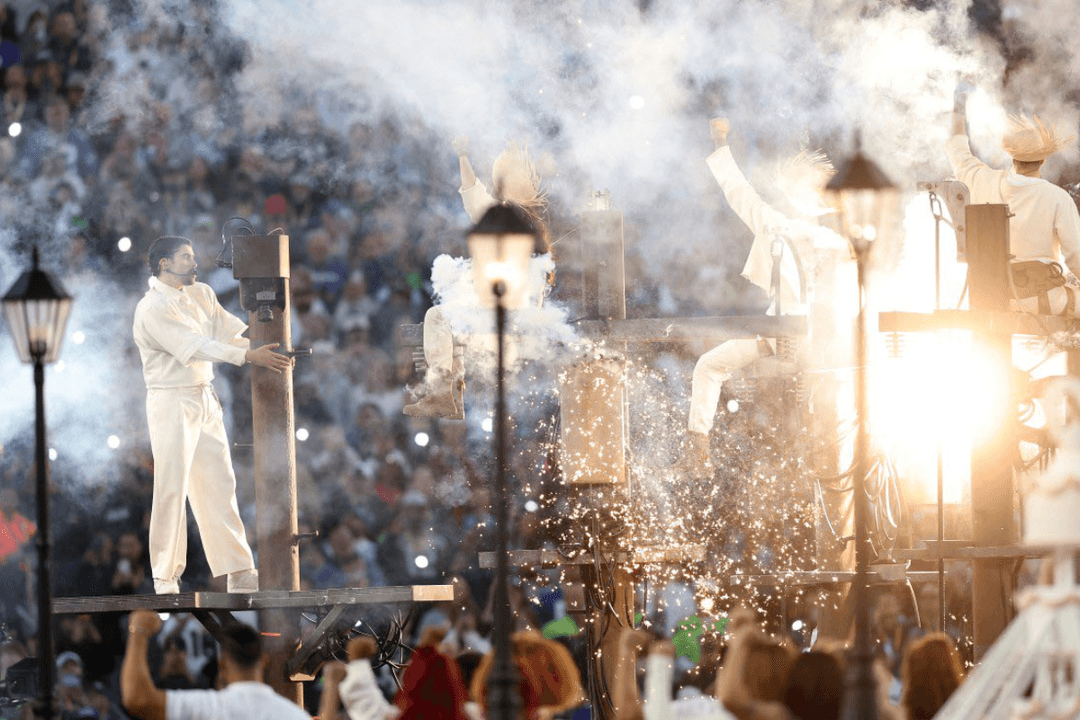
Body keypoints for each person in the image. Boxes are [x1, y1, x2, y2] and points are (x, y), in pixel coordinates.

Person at [674, 117, 853, 477]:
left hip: (814, 343)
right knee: (712, 366)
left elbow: (738, 193)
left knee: (710, 367)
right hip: (799, 338)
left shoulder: (790, 231)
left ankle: (700, 454)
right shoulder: (836, 240)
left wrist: (719, 144)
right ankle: (700, 456)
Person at [132, 235, 292, 594]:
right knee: (172, 486)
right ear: (164, 265)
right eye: (186, 257)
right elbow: (194, 347)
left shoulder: (202, 293)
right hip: (171, 400)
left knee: (220, 482)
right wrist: (249, 356)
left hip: (205, 394)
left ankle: (237, 569)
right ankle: (165, 574)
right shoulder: (153, 307)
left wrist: (264, 343)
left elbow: (229, 331)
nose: (195, 262)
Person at [404, 137, 553, 419]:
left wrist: (463, 156)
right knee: (450, 325)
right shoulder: (527, 220)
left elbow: (475, 199)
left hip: (509, 308)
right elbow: (475, 196)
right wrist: (463, 156)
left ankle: (441, 393)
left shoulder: (514, 217)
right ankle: (449, 394)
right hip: (514, 306)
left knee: (439, 317)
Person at [947, 91, 1080, 316]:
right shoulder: (1057, 197)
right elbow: (1076, 256)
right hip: (1039, 300)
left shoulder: (980, 179)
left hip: (989, 297)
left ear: (1012, 156)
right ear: (1044, 158)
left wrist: (959, 103)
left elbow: (955, 145)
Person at [121, 609, 311, 720]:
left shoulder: (208, 707)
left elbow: (136, 699)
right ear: (265, 660)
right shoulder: (295, 716)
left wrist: (138, 631)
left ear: (222, 665)